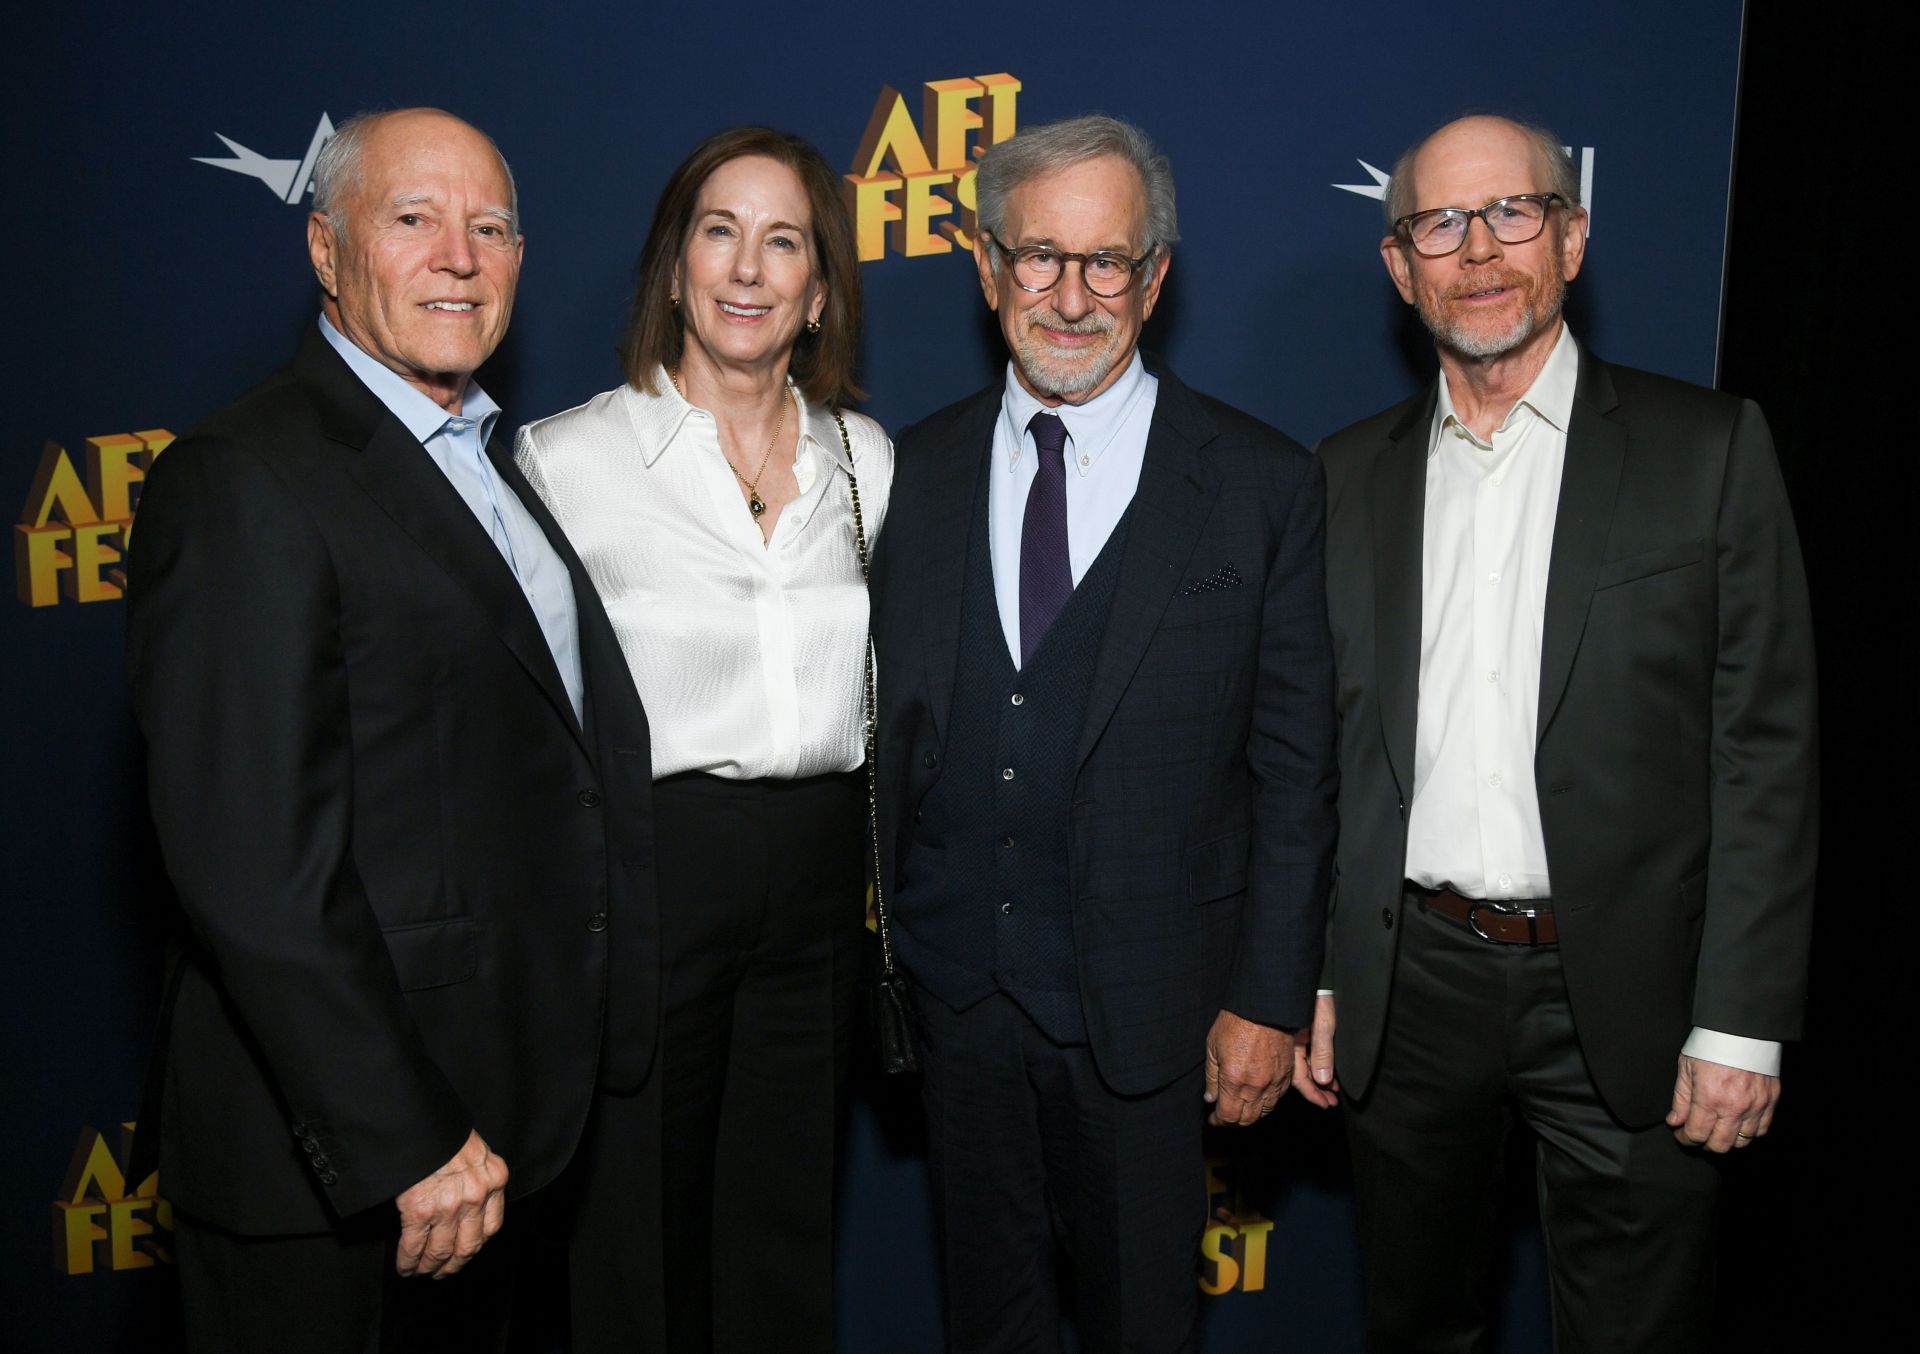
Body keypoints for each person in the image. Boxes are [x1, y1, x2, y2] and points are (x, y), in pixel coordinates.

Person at [125, 108, 658, 1352]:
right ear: (325, 249)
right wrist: (403, 1134)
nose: (458, 256)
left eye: (489, 227)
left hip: (502, 1136)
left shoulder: (488, 462)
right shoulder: (244, 475)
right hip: (349, 1172)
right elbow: (250, 865)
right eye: (413, 220)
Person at [1305, 114, 1817, 1352]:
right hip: (1410, 985)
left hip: (1632, 992)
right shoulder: (1340, 477)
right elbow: (1319, 755)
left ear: (1573, 236)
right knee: (1418, 1323)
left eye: (1514, 214)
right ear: (1399, 264)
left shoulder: (1709, 450)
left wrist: (1739, 1019)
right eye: (1439, 223)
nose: (1478, 251)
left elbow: (1766, 747)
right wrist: (1321, 969)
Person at [871, 114, 1338, 1353]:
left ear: (1158, 276)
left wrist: (1267, 997)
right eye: (1039, 257)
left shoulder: (1259, 486)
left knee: (1143, 1326)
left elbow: (1297, 774)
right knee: (992, 1322)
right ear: (985, 266)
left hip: (1156, 1020)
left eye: (1108, 263)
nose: (1071, 297)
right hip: (960, 1010)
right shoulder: (900, 478)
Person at [514, 125, 890, 1354]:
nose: (747, 267)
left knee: (783, 1232)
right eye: (718, 232)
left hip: (821, 884)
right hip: (652, 871)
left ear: (819, 289)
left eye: (783, 240)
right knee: (636, 1237)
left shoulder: (866, 462)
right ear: (673, 269)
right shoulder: (568, 460)